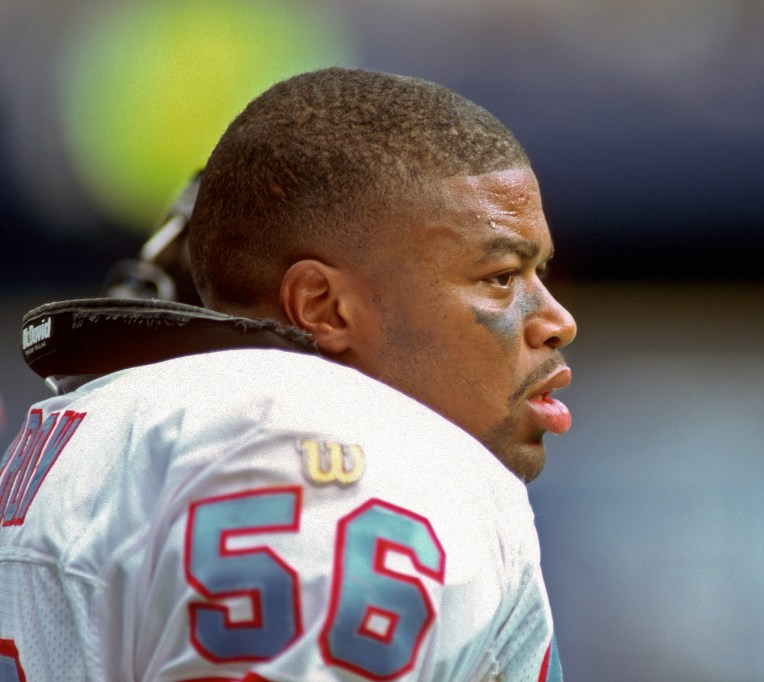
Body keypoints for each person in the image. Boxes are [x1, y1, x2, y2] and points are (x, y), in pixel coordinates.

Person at [0, 67, 575, 681]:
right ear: (323, 306)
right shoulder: (333, 449)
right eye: (501, 277)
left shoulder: (100, 425)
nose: (557, 321)